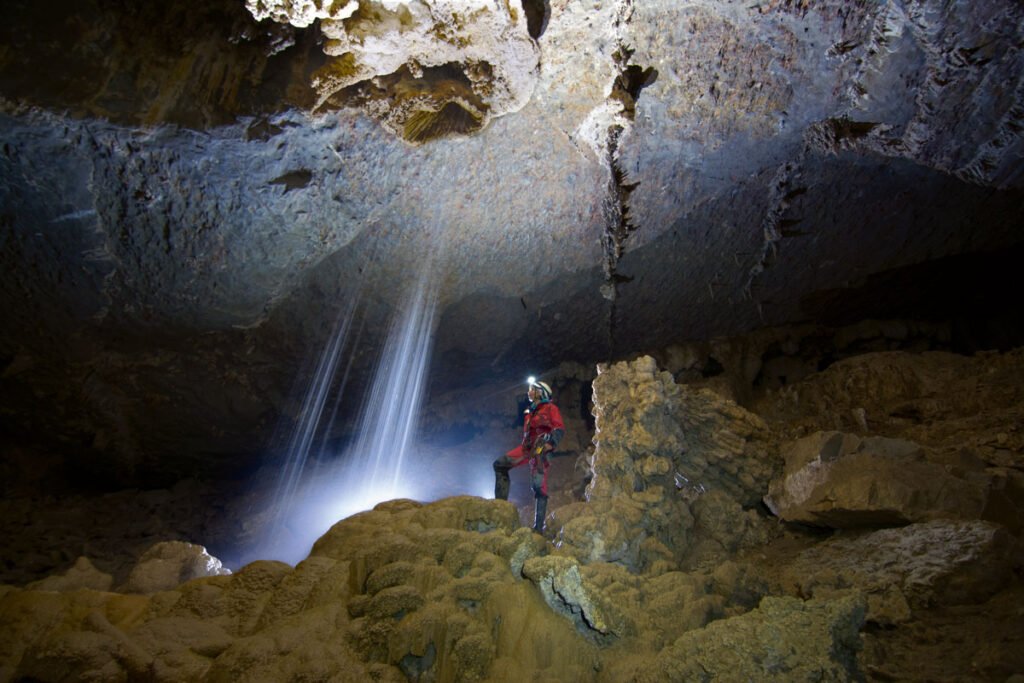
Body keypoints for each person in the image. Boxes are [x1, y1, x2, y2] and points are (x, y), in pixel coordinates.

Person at [493, 377, 565, 533]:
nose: (529, 392)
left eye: (532, 389)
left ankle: (538, 529)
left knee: (539, 487)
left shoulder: (551, 408)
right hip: (526, 449)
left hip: (540, 451)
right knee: (499, 465)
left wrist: (550, 444)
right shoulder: (530, 412)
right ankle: (500, 508)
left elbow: (559, 429)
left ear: (541, 392)